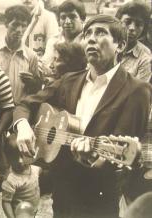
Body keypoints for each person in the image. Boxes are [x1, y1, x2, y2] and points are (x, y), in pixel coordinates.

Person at [13, 15, 151, 218]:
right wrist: (23, 125)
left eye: (101, 33)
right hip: (62, 187)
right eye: (88, 34)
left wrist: (93, 158)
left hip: (98, 194)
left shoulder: (137, 90)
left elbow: (121, 156)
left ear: (120, 45)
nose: (91, 39)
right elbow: (26, 103)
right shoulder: (69, 80)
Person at [0, 5, 42, 104]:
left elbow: (36, 89)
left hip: (19, 109)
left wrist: (32, 82)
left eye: (23, 26)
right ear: (6, 24)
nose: (19, 30)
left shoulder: (31, 56)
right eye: (15, 24)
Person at [1, 134, 41, 218]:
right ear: (9, 159)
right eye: (15, 157)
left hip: (32, 211)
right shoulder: (10, 180)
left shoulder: (34, 168)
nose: (20, 161)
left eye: (22, 155)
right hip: (20, 214)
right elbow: (6, 202)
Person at [42, 0, 86, 69]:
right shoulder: (53, 41)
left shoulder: (88, 40)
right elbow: (45, 65)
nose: (67, 21)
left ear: (82, 19)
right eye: (63, 17)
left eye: (72, 17)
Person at [115, 1, 152, 82]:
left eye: (138, 24)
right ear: (118, 22)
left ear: (144, 28)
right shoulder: (106, 45)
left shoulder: (145, 56)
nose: (132, 28)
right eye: (127, 22)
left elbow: (138, 90)